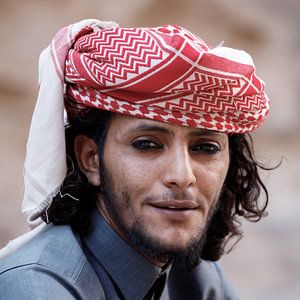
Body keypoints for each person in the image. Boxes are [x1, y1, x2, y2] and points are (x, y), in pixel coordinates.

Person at [0, 19, 272, 299]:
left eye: (206, 148)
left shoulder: (195, 276)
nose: (183, 175)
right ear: (90, 159)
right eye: (147, 145)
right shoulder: (34, 287)